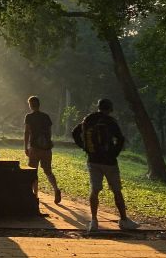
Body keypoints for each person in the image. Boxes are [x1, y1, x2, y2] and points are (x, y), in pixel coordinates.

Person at [72, 98, 141, 232]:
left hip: (93, 160)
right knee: (116, 190)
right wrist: (113, 153)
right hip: (109, 162)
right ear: (110, 109)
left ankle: (94, 221)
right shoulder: (110, 121)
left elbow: (75, 132)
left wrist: (84, 147)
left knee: (95, 190)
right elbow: (120, 138)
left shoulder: (88, 119)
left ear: (98, 107)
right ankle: (124, 220)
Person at [24, 96, 61, 204]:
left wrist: (26, 147)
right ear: (39, 104)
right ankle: (56, 189)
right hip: (46, 148)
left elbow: (27, 132)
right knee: (48, 171)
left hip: (34, 148)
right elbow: (49, 132)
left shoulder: (29, 117)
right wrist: (47, 143)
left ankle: (35, 195)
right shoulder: (46, 116)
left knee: (33, 171)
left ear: (30, 105)